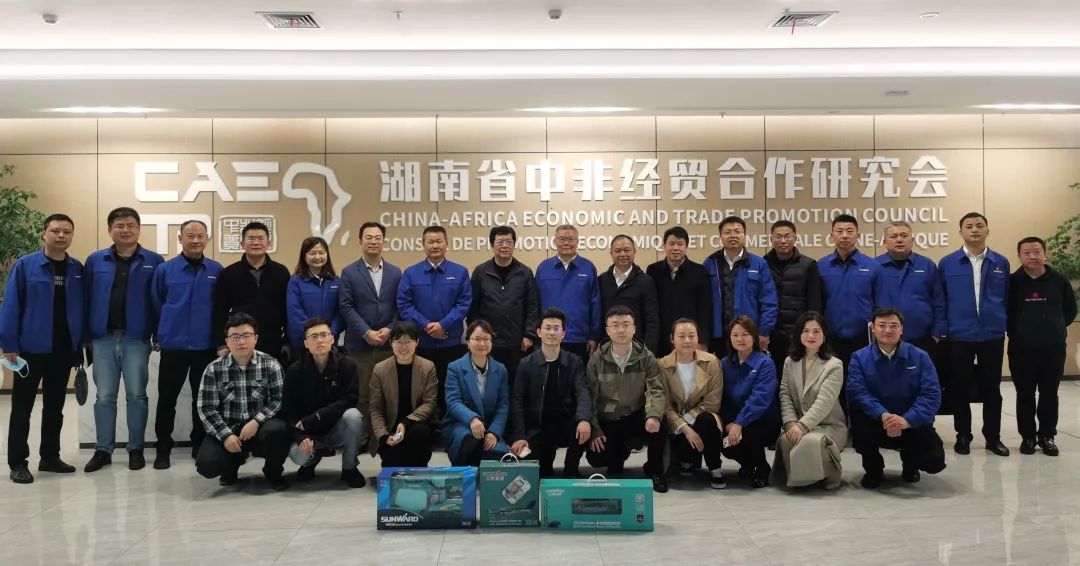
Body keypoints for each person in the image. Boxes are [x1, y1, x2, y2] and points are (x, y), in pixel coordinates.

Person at [1, 214, 85, 484]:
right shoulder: (25, 265)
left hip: (63, 350)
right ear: (44, 233)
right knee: (22, 408)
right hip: (29, 350)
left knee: (55, 407)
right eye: (56, 231)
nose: (61, 236)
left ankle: (50, 457)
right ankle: (18, 462)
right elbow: (11, 305)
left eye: (67, 232)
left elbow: (81, 308)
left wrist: (80, 344)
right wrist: (9, 343)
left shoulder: (77, 268)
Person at [84, 207, 165, 473]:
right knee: (104, 397)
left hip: (136, 339)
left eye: (131, 225)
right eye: (120, 225)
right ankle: (103, 450)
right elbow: (85, 299)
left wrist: (158, 334)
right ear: (110, 230)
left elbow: (159, 301)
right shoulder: (95, 260)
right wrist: (85, 337)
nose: (126, 230)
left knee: (137, 396)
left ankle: (136, 448)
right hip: (103, 339)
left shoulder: (154, 260)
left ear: (139, 229)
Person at [150, 219, 223, 470]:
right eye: (190, 235)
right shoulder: (165, 270)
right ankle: (163, 446)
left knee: (201, 399)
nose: (195, 240)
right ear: (180, 238)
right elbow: (156, 303)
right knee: (167, 399)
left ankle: (199, 443)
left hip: (205, 346)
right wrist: (160, 334)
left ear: (207, 239)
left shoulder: (216, 270)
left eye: (200, 236)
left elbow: (220, 308)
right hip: (174, 345)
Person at [847, 308, 946, 488]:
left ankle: (910, 464)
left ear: (902, 329)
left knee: (934, 460)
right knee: (860, 426)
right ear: (873, 328)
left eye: (894, 325)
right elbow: (858, 392)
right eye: (882, 325)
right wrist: (884, 415)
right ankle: (874, 470)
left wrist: (906, 420)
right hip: (876, 420)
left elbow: (931, 394)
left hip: (910, 422)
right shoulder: (859, 357)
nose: (887, 330)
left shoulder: (920, 356)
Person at [939, 212, 1011, 457]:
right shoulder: (948, 263)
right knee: (959, 387)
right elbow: (941, 299)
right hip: (959, 335)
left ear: (987, 230)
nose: (974, 230)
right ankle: (963, 435)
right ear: (961, 232)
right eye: (969, 226)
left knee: (992, 388)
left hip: (992, 335)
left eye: (979, 226)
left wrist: (1002, 323)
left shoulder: (1000, 262)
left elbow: (1006, 298)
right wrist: (943, 328)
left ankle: (993, 437)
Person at [196, 313, 291, 490]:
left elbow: (278, 400)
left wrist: (257, 421)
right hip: (229, 427)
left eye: (246, 336)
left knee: (279, 430)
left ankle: (273, 471)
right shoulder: (213, 369)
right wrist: (226, 435)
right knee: (207, 465)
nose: (241, 342)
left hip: (260, 428)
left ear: (256, 338)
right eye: (235, 337)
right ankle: (231, 465)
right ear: (227, 341)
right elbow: (206, 408)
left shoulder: (271, 364)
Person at [583, 306, 668, 493]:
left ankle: (655, 471)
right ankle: (619, 453)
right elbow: (590, 397)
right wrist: (595, 430)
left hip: (635, 414)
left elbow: (656, 390)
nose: (621, 330)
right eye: (615, 325)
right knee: (597, 458)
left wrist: (653, 416)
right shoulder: (597, 360)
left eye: (626, 324)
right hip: (609, 419)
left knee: (661, 423)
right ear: (607, 330)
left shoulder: (646, 357)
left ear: (634, 328)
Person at [1007, 236, 1077, 456]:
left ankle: (1047, 437)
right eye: (1026, 252)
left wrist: (1053, 328)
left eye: (1037, 252)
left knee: (1049, 394)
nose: (1032, 256)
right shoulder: (1012, 282)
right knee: (1024, 394)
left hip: (1052, 349)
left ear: (1045, 254)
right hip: (1021, 349)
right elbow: (1005, 312)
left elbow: (1070, 311)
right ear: (1019, 257)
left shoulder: (1059, 280)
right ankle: (1027, 437)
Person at [397, 225, 472, 419]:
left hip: (451, 343)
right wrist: (427, 326)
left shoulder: (460, 272)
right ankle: (424, 427)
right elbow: (404, 305)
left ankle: (448, 427)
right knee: (421, 391)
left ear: (447, 244)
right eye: (430, 242)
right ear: (423, 245)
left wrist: (443, 325)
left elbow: (464, 303)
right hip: (421, 344)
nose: (435, 245)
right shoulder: (411, 273)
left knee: (451, 390)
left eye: (439, 241)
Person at [281, 317, 365, 488]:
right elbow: (288, 409)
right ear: (306, 343)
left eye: (324, 335)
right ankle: (309, 463)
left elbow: (350, 399)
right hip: (308, 433)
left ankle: (349, 468)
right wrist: (301, 437)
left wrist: (318, 416)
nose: (319, 340)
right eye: (314, 337)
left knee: (354, 416)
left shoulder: (347, 365)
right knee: (298, 456)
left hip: (336, 429)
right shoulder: (295, 371)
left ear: (332, 339)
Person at [508, 307, 592, 478]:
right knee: (537, 471)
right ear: (539, 332)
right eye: (547, 328)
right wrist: (519, 436)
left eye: (556, 329)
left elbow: (583, 392)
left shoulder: (574, 361)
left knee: (583, 427)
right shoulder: (526, 364)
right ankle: (545, 463)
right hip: (537, 427)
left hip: (566, 424)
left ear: (563, 334)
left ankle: (571, 469)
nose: (552, 333)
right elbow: (517, 401)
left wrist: (584, 419)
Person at [771, 311, 847, 490]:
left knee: (809, 441)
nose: (811, 335)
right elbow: (785, 395)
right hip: (798, 424)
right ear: (798, 334)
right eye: (805, 331)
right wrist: (791, 423)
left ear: (824, 335)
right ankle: (806, 477)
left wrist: (803, 426)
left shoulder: (834, 365)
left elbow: (824, 402)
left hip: (829, 425)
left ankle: (829, 474)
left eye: (816, 331)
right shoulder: (790, 362)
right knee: (786, 440)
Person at [339, 221, 402, 437]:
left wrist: (390, 329)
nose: (373, 241)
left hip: (388, 344)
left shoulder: (395, 272)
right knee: (362, 393)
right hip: (359, 345)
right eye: (369, 237)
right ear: (360, 241)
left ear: (384, 241)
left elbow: (399, 306)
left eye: (378, 238)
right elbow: (346, 306)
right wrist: (366, 332)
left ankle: (385, 435)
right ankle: (364, 436)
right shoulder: (349, 272)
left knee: (388, 392)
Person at [658, 318, 726, 489]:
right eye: (681, 336)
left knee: (706, 419)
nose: (687, 341)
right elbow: (664, 404)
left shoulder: (711, 362)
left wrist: (689, 420)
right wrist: (685, 428)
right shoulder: (662, 365)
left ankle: (715, 467)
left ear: (698, 337)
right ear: (672, 339)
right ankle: (686, 460)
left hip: (703, 420)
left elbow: (713, 402)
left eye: (692, 336)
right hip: (676, 426)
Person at [469, 225, 540, 385]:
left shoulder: (525, 272)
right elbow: (473, 306)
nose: (504, 246)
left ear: (514, 244)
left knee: (516, 382)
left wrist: (529, 335)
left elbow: (532, 306)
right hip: (488, 341)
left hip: (517, 342)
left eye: (509, 242)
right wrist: (475, 335)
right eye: (500, 242)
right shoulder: (480, 272)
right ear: (491, 245)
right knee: (489, 382)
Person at [213, 221, 291, 364]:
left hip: (273, 340)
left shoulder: (281, 272)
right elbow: (219, 311)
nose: (256, 243)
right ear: (242, 244)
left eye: (260, 238)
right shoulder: (229, 273)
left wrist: (287, 341)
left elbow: (287, 310)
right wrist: (221, 344)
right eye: (251, 238)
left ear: (269, 243)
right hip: (240, 341)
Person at [719, 316, 780, 488]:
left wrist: (739, 423)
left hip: (763, 420)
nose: (740, 339)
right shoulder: (724, 364)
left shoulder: (765, 363)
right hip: (734, 421)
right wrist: (728, 422)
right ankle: (748, 464)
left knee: (750, 432)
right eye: (735, 335)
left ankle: (762, 469)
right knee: (722, 442)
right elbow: (722, 397)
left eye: (745, 334)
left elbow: (760, 398)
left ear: (754, 336)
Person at [704, 216, 779, 355]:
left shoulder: (759, 264)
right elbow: (703, 302)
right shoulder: (711, 263)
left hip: (749, 334)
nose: (733, 235)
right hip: (719, 336)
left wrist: (764, 331)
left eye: (737, 231)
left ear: (744, 236)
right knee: (721, 368)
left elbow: (769, 301)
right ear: (720, 237)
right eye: (727, 232)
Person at [368, 321, 438, 468]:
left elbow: (430, 403)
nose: (403, 347)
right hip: (390, 428)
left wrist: (406, 422)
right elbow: (375, 409)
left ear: (417, 343)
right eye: (398, 342)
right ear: (391, 343)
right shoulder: (380, 369)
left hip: (415, 425)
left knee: (420, 433)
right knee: (392, 466)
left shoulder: (428, 367)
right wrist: (383, 436)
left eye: (408, 342)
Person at [442, 320, 510, 466]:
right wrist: (472, 419)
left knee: (498, 456)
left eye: (486, 339)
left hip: (489, 427)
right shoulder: (455, 368)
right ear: (467, 342)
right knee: (469, 439)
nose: (482, 343)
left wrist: (494, 432)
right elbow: (453, 401)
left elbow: (503, 406)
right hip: (461, 425)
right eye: (477, 339)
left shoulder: (500, 369)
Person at [873, 221, 947, 354]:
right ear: (884, 242)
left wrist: (937, 333)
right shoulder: (874, 266)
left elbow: (939, 302)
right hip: (884, 338)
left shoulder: (927, 265)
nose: (899, 240)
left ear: (912, 240)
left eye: (904, 235)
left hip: (923, 339)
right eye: (894, 236)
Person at [818, 214, 879, 372]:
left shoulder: (873, 266)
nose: (844, 235)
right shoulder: (820, 266)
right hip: (830, 337)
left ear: (858, 236)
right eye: (839, 231)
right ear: (832, 236)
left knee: (861, 378)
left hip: (863, 337)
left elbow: (879, 303)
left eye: (849, 231)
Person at [764, 220, 823, 376]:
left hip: (798, 334)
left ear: (795, 238)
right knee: (771, 377)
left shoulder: (809, 265)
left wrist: (811, 331)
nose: (783, 241)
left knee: (797, 377)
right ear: (771, 239)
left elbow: (814, 303)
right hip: (770, 334)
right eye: (778, 236)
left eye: (787, 236)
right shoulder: (762, 264)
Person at [535, 225, 602, 361]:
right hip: (549, 336)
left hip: (580, 339)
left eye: (570, 239)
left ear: (577, 241)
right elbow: (535, 303)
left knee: (577, 373)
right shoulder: (543, 268)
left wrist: (593, 336)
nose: (566, 243)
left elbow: (595, 303)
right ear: (555, 241)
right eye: (562, 239)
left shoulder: (588, 267)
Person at [646, 226, 712, 358]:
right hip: (662, 336)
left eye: (680, 244)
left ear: (686, 246)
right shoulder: (653, 270)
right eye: (671, 244)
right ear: (664, 246)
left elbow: (705, 309)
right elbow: (650, 306)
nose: (675, 248)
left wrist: (703, 340)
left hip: (689, 337)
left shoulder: (700, 271)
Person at [598, 235, 661, 354]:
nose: (622, 254)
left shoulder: (646, 281)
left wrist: (649, 350)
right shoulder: (602, 280)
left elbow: (652, 319)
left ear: (634, 252)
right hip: (607, 348)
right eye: (618, 251)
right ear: (611, 253)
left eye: (626, 250)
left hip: (637, 348)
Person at [286, 237, 344, 357]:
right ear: (304, 256)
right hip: (302, 344)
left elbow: (341, 311)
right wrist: (314, 335)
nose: (317, 257)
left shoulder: (336, 281)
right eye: (312, 253)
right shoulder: (295, 282)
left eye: (321, 253)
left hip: (329, 343)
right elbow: (294, 312)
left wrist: (329, 334)